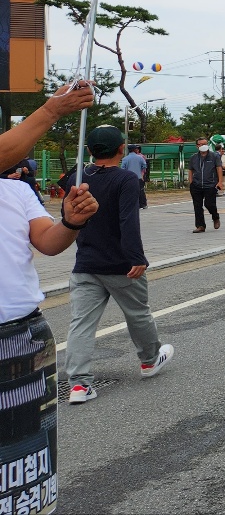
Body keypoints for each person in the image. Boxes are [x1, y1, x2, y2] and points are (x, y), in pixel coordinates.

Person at [0, 80, 99, 514]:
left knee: (25, 464)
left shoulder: (17, 191)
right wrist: (52, 109)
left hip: (24, 337)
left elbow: (50, 242)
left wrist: (71, 223)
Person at [61, 125, 174, 403]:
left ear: (89, 150)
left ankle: (78, 384)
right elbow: (128, 220)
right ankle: (149, 360)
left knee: (81, 324)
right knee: (137, 314)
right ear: (122, 149)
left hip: (85, 262)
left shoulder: (76, 179)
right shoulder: (126, 179)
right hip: (120, 263)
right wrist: (136, 256)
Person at [188, 136, 223, 233]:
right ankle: (200, 225)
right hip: (196, 185)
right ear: (197, 146)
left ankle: (215, 217)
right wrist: (191, 182)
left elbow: (219, 168)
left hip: (210, 184)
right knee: (197, 206)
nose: (204, 146)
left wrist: (219, 182)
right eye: (201, 144)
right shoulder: (193, 157)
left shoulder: (214, 156)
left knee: (209, 204)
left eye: (205, 144)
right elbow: (190, 170)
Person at [121, 144, 148, 209]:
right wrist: (141, 172)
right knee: (140, 190)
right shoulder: (140, 157)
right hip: (138, 177)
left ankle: (132, 204)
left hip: (128, 178)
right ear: (135, 150)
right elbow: (144, 166)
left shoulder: (125, 159)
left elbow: (123, 168)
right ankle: (143, 204)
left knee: (129, 191)